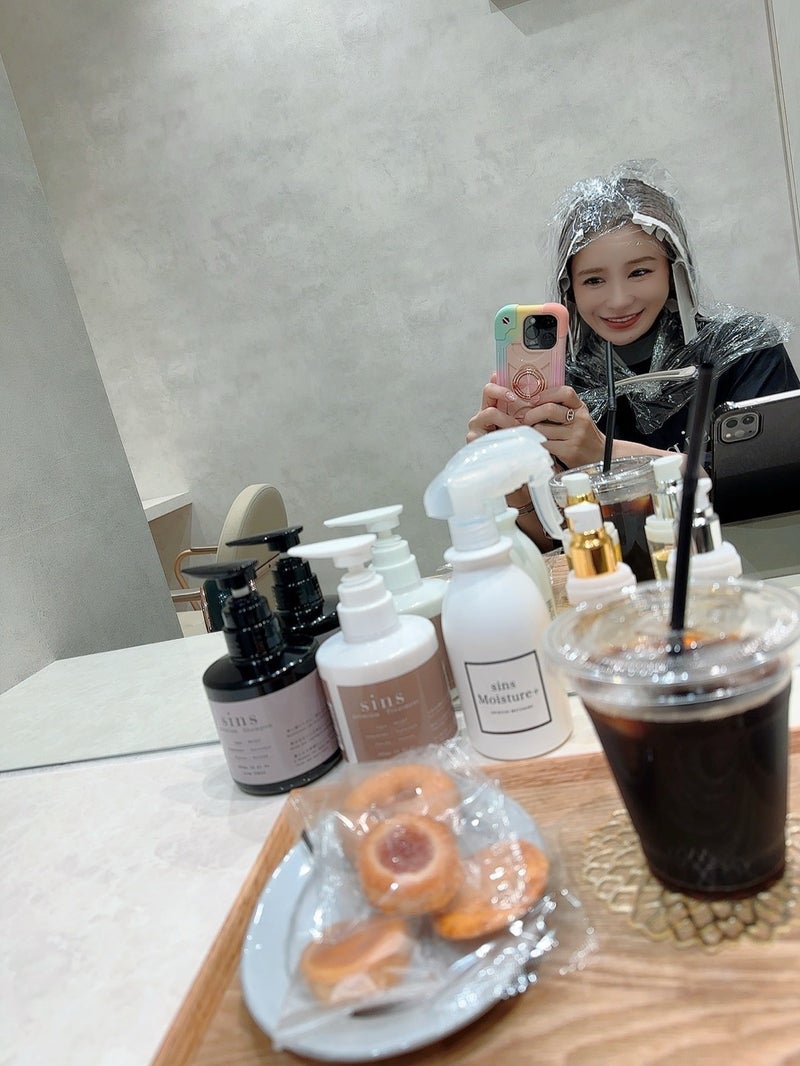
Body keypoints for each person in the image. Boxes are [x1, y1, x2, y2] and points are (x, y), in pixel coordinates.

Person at [467, 160, 800, 549]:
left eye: (639, 272)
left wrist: (603, 454)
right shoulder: (560, 391)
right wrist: (512, 480)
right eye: (594, 280)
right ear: (569, 289)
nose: (618, 300)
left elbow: (773, 491)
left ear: (675, 269)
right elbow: (555, 543)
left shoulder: (744, 352)